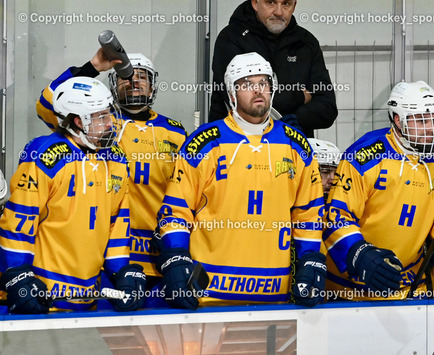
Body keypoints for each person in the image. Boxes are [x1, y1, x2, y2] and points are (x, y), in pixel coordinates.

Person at [156, 52, 326, 309]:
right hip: (209, 295)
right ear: (231, 93)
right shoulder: (204, 142)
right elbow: (176, 210)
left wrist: (311, 259)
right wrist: (176, 257)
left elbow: (309, 214)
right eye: (247, 84)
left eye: (263, 82)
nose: (258, 90)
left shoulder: (296, 145)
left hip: (274, 294)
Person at [322, 80, 434, 302]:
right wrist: (361, 255)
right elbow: (337, 216)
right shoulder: (364, 156)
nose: (430, 128)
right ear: (398, 120)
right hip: (346, 287)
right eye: (421, 120)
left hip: (406, 286)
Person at [36, 49, 187, 292]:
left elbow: (187, 193)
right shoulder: (99, 124)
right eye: (125, 77)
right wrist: (93, 67)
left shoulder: (176, 132)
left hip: (160, 255)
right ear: (113, 86)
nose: (134, 82)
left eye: (142, 77)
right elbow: (45, 105)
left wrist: (178, 245)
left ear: (152, 86)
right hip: (109, 256)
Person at [0, 77, 145, 313]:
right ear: (78, 121)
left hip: (88, 299)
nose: (110, 122)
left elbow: (117, 224)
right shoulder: (46, 155)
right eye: (101, 117)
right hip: (43, 297)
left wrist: (122, 272)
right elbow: (19, 222)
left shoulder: (116, 159)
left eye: (109, 114)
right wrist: (18, 275)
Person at [208, 0, 338, 137]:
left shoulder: (306, 43)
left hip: (292, 146)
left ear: (294, 6)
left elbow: (328, 108)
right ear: (255, 3)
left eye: (286, 4)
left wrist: (297, 119)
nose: (278, 11)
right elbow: (243, 102)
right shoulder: (231, 38)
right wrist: (299, 97)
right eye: (270, 2)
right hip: (233, 142)